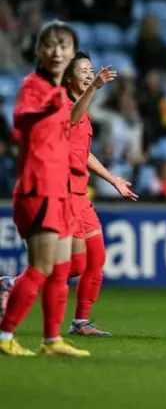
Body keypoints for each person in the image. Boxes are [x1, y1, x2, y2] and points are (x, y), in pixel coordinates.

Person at [0, 51, 137, 336]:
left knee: (94, 260)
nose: (88, 74)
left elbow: (83, 154)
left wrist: (114, 180)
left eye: (90, 70)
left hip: (79, 194)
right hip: (61, 193)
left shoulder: (83, 108)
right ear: (70, 77)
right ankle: (12, 285)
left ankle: (80, 322)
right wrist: (95, 87)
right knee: (71, 264)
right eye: (83, 70)